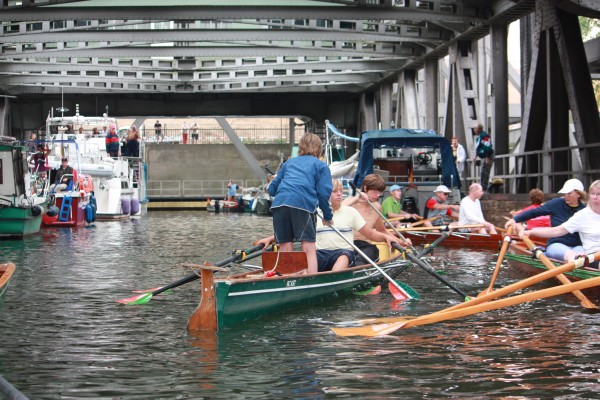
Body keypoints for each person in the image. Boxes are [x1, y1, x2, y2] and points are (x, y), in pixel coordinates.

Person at [258, 179, 407, 272]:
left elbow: (371, 233)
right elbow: (293, 233)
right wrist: (271, 239)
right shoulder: (314, 213)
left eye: (341, 191)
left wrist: (388, 238)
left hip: (343, 252)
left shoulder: (350, 212)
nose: (339, 194)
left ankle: (334, 278)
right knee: (305, 261)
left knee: (343, 257)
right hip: (320, 253)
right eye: (334, 191)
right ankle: (300, 277)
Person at [267, 133, 333, 274]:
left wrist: (276, 178)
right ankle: (311, 279)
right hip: (302, 204)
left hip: (280, 204)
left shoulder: (288, 163)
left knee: (285, 245)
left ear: (300, 147)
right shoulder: (321, 166)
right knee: (308, 247)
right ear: (319, 149)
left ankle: (288, 278)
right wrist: (327, 216)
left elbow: (272, 190)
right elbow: (323, 194)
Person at [521, 180, 600, 268]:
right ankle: (573, 262)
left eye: (599, 194)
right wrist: (530, 232)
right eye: (593, 194)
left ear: (578, 194)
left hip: (580, 248)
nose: (595, 197)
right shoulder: (582, 214)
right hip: (585, 253)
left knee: (578, 255)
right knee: (572, 255)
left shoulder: (582, 208)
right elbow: (557, 231)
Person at [506, 178, 586, 261]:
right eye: (565, 193)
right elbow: (534, 212)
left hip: (578, 246)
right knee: (572, 255)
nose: (566, 196)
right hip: (557, 244)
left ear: (578, 194)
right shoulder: (556, 203)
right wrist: (515, 219)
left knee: (582, 257)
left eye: (569, 193)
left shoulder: (585, 210)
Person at [342, 174, 402, 264]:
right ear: (365, 188)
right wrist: (356, 199)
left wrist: (400, 241)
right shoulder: (351, 201)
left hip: (364, 245)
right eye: (375, 191)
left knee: (371, 252)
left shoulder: (377, 207)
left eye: (380, 192)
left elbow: (381, 230)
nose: (378, 195)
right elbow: (338, 209)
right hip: (346, 243)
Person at [473, 123, 494, 191]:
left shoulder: (485, 136)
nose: (474, 130)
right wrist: (476, 155)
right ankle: (483, 188)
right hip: (484, 156)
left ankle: (484, 189)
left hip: (488, 155)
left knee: (485, 172)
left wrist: (487, 157)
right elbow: (479, 147)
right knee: (482, 172)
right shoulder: (479, 137)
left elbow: (488, 146)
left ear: (478, 129)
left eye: (475, 128)